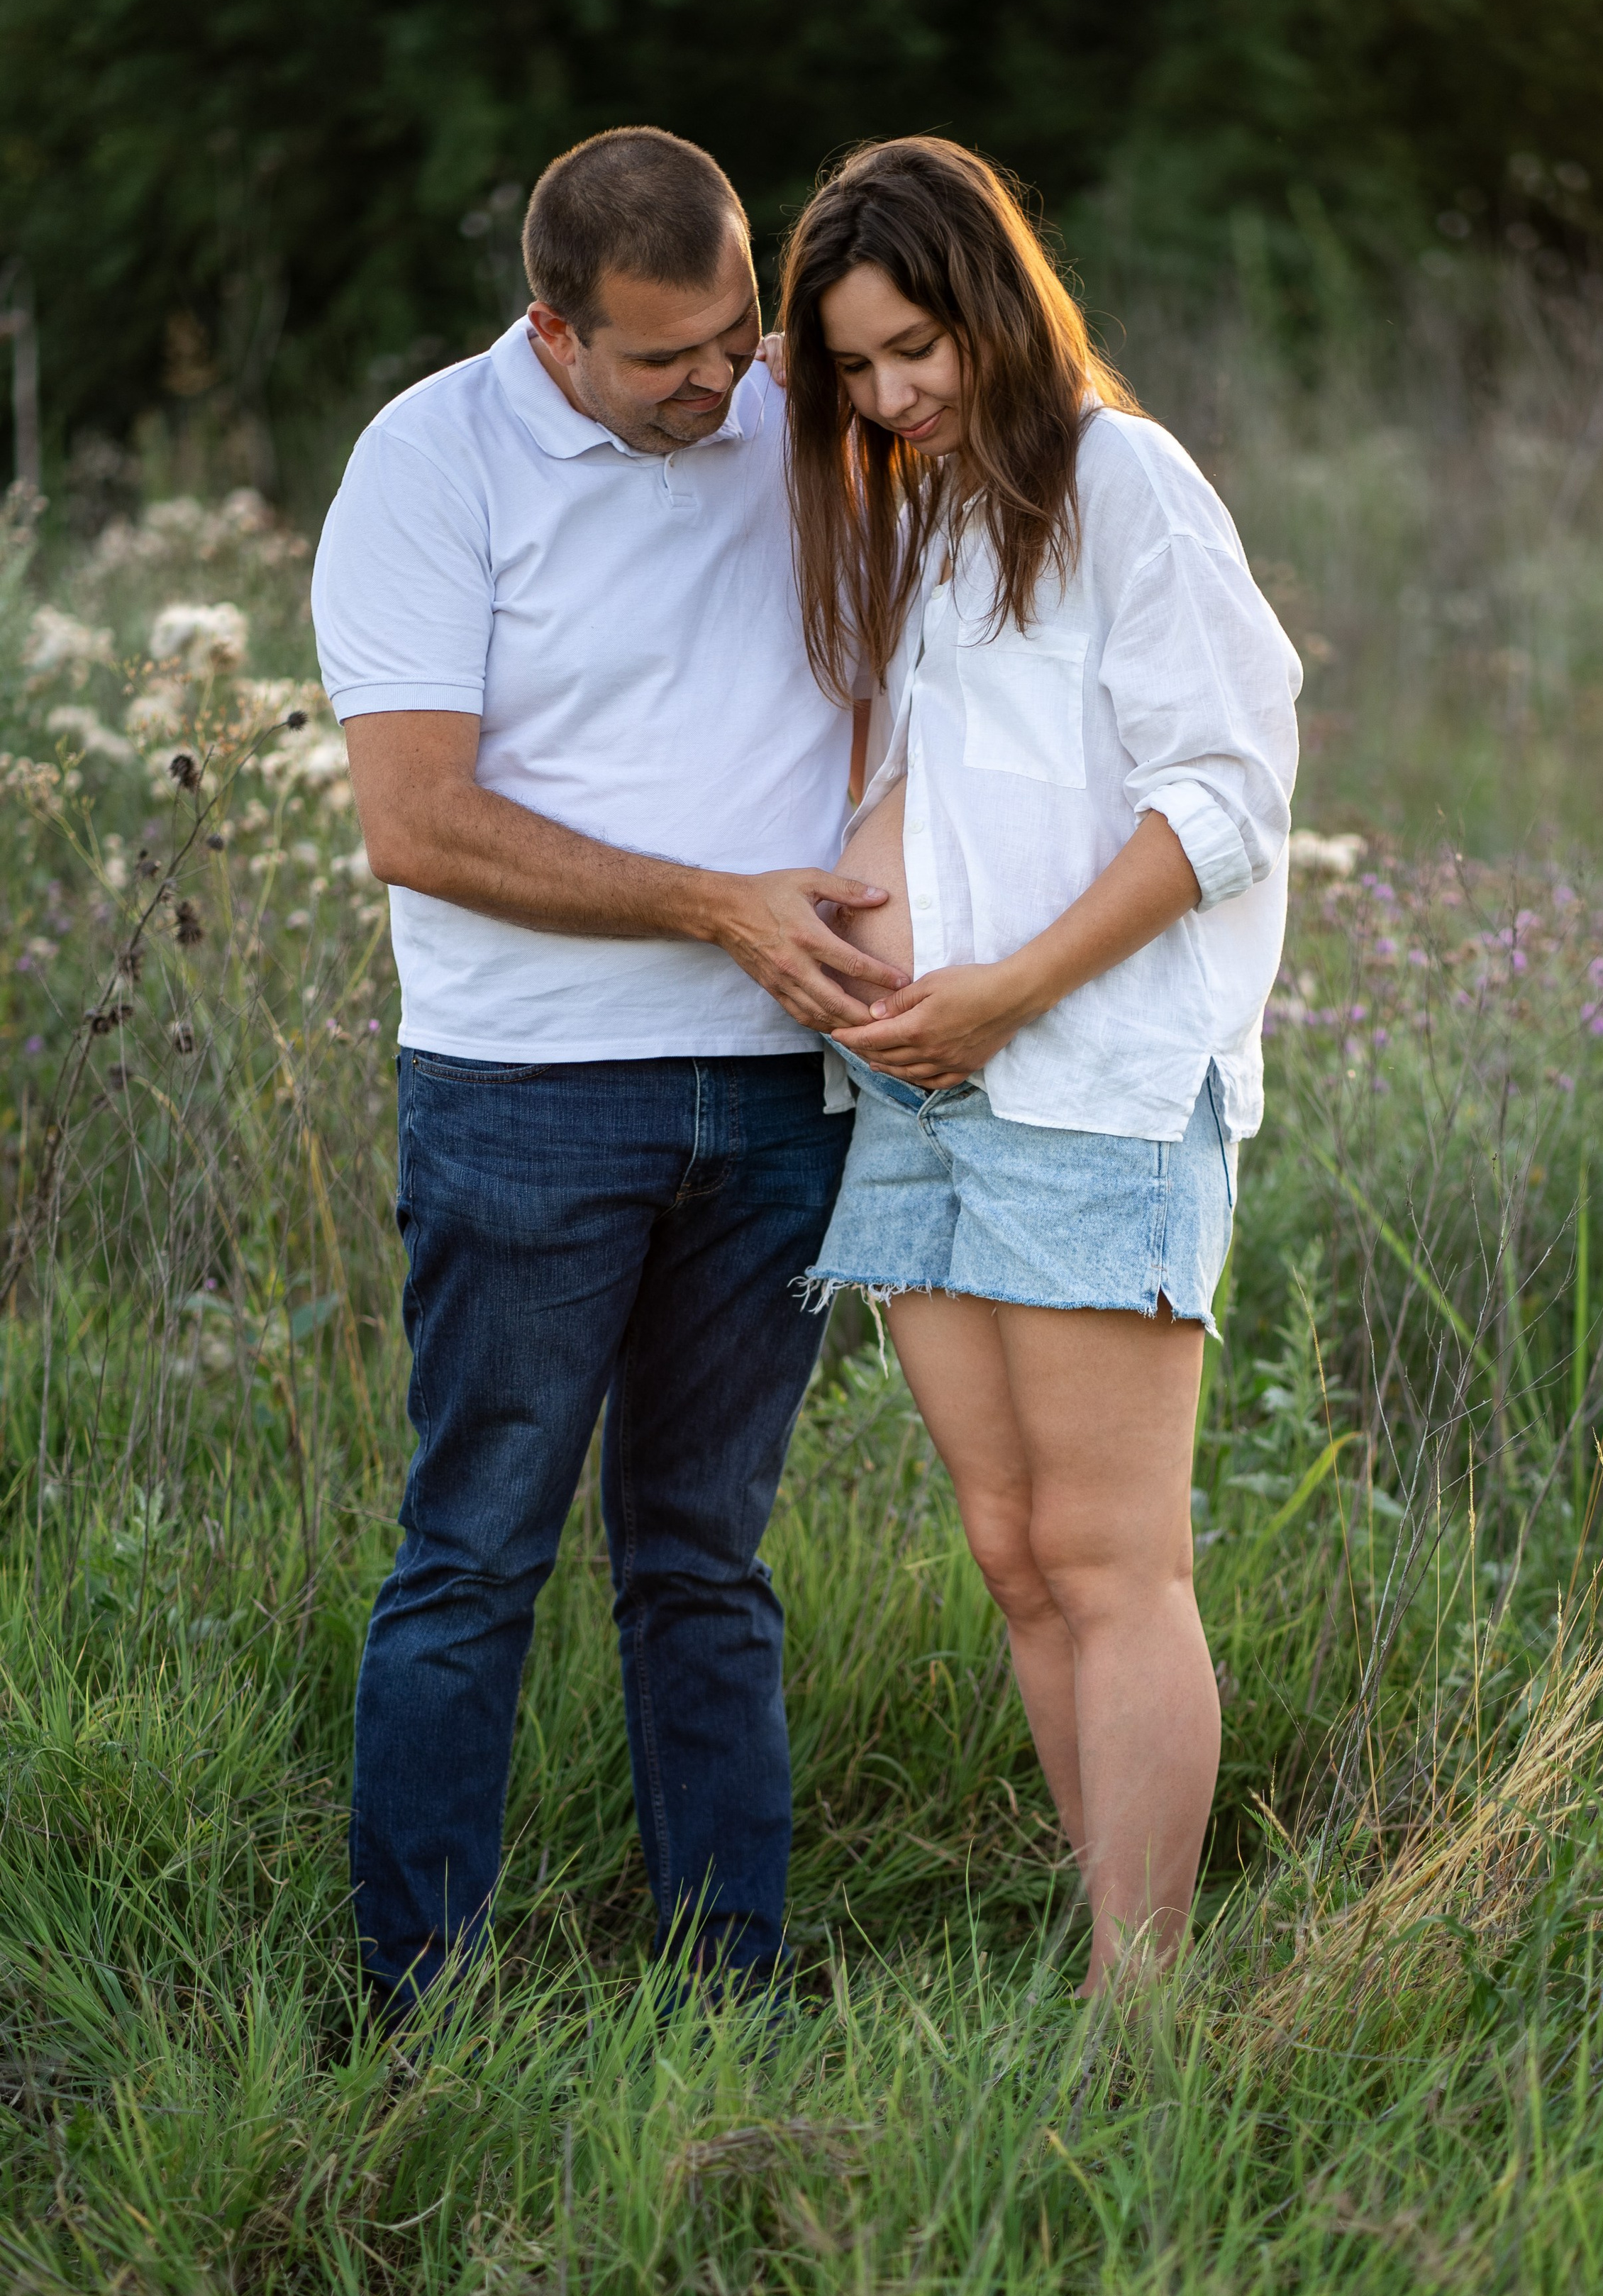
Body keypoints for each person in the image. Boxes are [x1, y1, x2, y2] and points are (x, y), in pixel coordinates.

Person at [312, 126, 907, 2023]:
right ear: (554, 330)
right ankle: (417, 2011)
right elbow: (416, 822)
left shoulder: (802, 414)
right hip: (527, 1092)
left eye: (736, 334)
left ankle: (730, 1996)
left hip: (777, 1090)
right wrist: (718, 907)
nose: (720, 383)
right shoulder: (430, 461)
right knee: (475, 1551)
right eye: (667, 358)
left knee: (707, 1559)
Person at [780, 138, 1301, 1995]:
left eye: (914, 348)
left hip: (1087, 1082)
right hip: (920, 1091)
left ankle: (1139, 2016)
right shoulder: (936, 509)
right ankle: (1107, 1951)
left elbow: (1224, 798)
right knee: (1011, 1552)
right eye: (854, 367)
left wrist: (1003, 992)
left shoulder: (1120, 479)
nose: (888, 395)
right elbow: (942, 779)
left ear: (992, 305)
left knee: (1106, 1553)